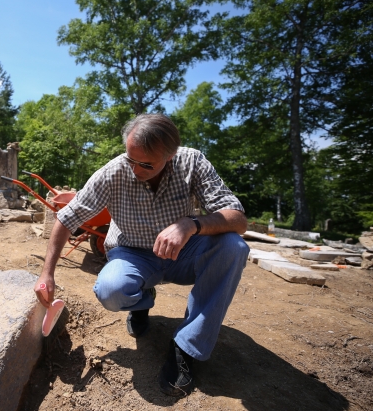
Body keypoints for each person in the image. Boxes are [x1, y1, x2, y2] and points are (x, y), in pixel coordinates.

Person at [34, 114, 249, 397]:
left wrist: (190, 224)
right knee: (111, 290)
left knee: (233, 247)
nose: (135, 169)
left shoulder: (192, 162)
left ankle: (186, 347)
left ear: (170, 156)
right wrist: (47, 272)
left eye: (146, 164)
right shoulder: (114, 171)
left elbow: (238, 219)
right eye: (131, 159)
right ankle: (142, 300)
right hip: (133, 252)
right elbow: (67, 217)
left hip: (182, 252)